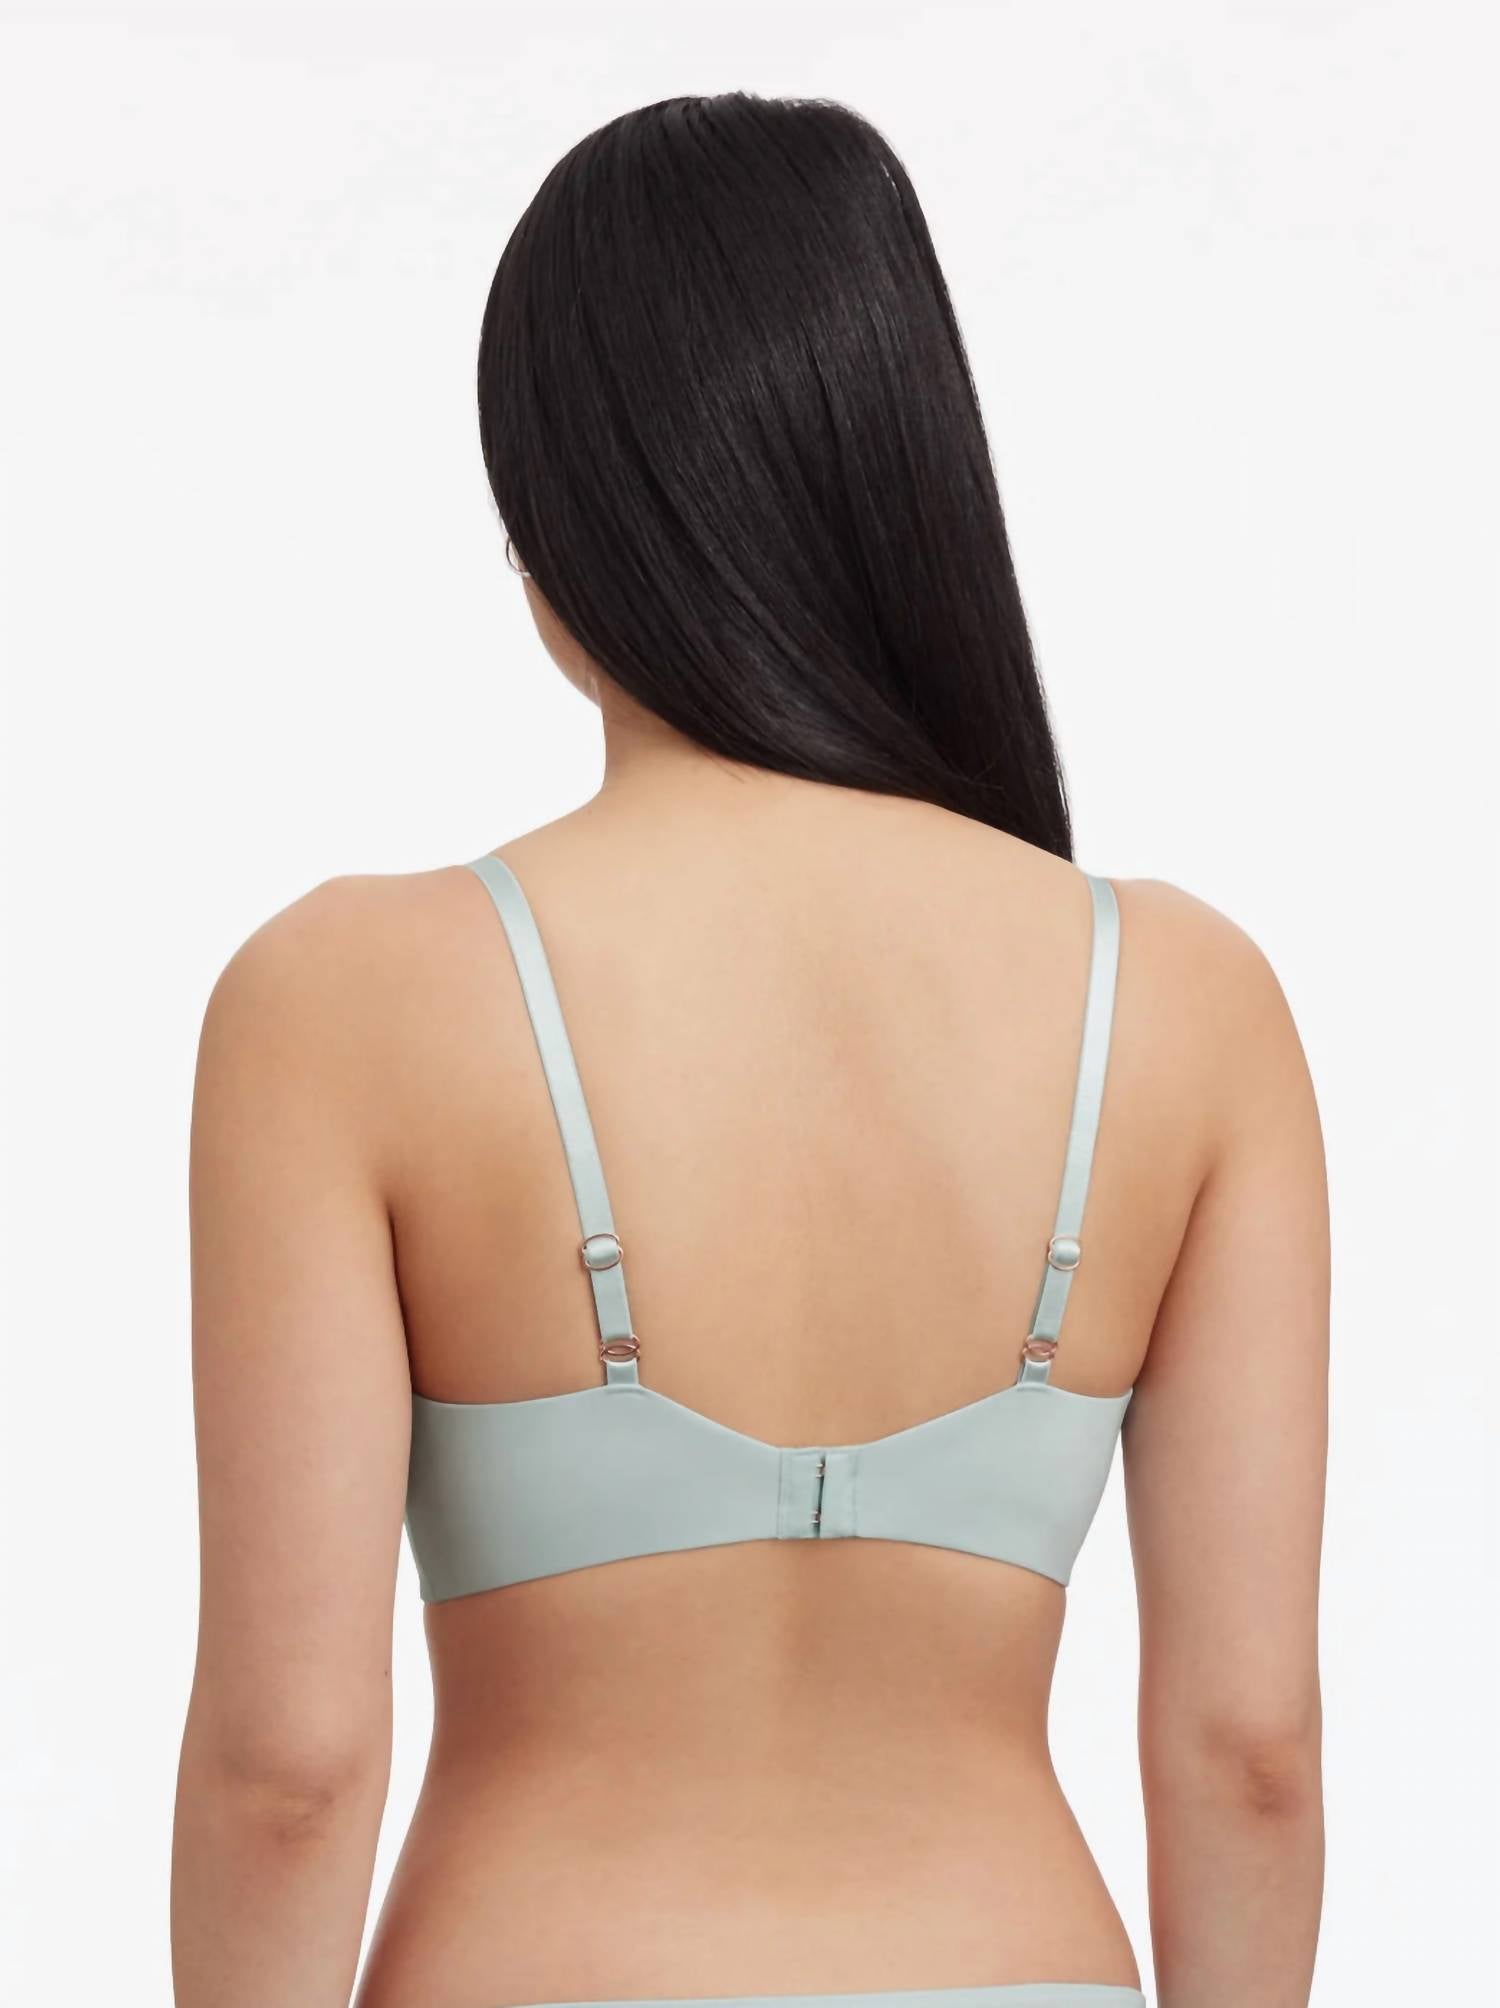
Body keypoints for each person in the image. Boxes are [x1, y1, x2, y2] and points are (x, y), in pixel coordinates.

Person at [170, 92, 1328, 2008]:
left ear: (563, 524)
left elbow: (285, 1771)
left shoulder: (344, 1002)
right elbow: (1250, 1750)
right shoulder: (1189, 1002)